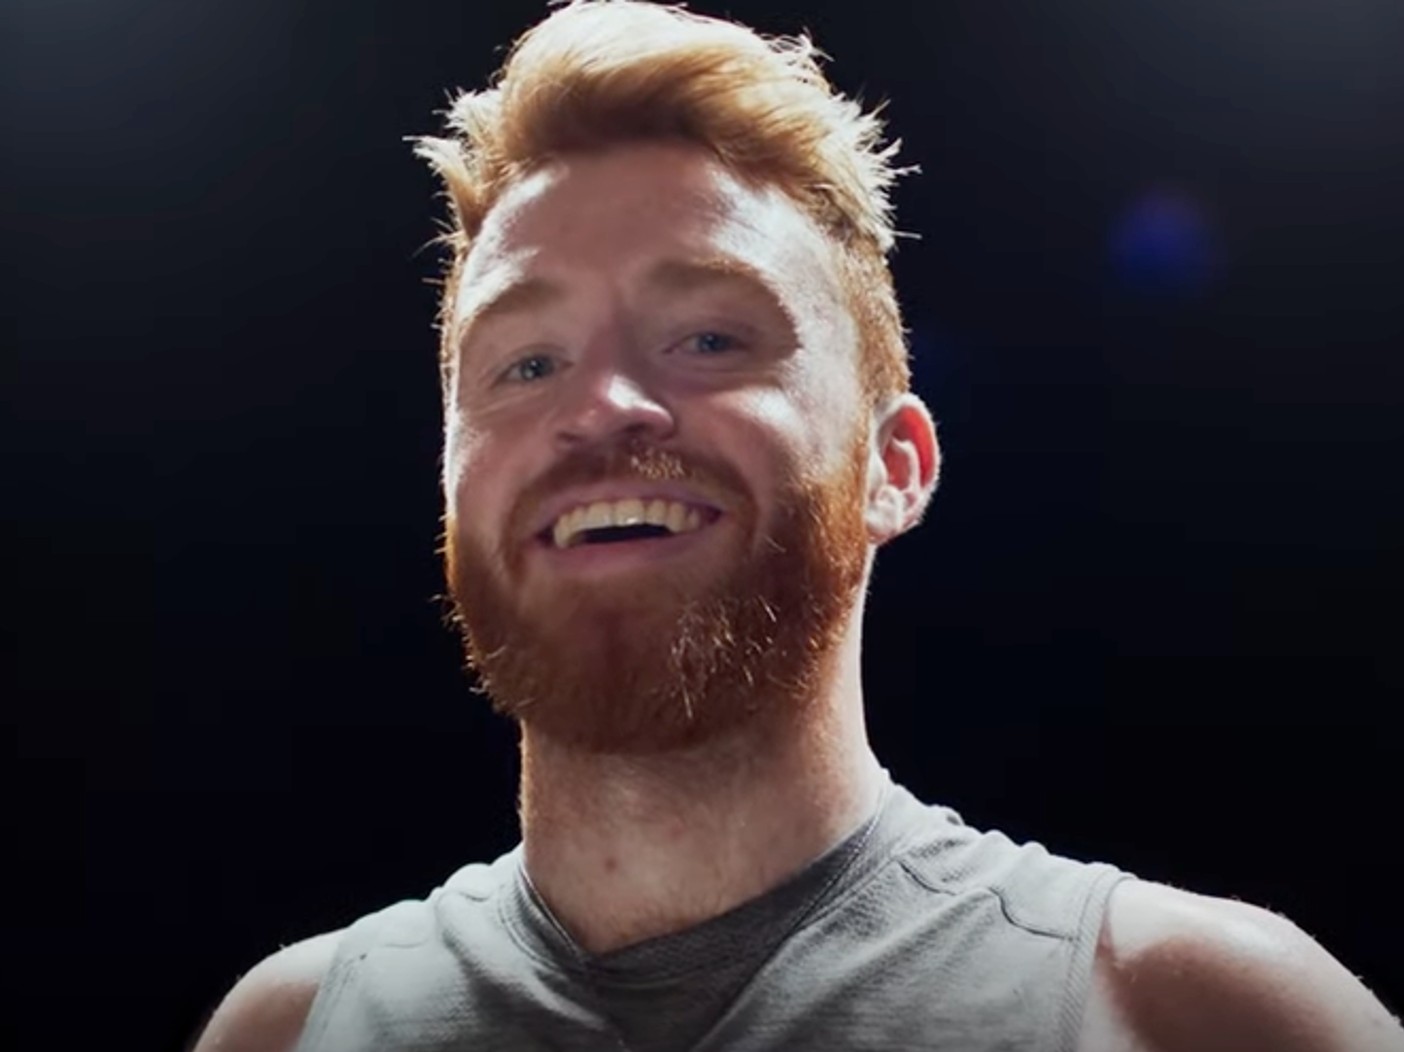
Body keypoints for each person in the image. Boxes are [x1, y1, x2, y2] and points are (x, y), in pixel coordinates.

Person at [194, 3, 1402, 1050]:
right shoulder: (288, 1027)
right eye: (526, 361)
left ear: (896, 464)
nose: (604, 404)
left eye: (711, 336)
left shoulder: (1204, 1015)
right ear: (452, 472)